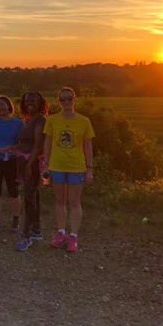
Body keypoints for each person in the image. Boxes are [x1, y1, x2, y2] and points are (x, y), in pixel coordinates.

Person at [43, 87, 95, 253]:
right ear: (59, 101)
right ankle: (60, 233)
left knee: (74, 202)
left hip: (76, 167)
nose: (66, 102)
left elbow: (88, 146)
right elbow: (48, 143)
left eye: (69, 99)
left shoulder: (84, 121)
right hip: (56, 165)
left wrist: (89, 169)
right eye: (63, 99)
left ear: (74, 100)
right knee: (59, 201)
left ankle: (73, 236)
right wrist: (45, 163)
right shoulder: (52, 120)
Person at [15, 92, 48, 251]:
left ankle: (26, 234)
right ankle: (36, 230)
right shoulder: (28, 119)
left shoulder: (40, 120)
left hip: (32, 163)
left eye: (33, 100)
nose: (29, 103)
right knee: (34, 197)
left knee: (28, 197)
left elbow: (38, 146)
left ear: (40, 102)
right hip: (25, 161)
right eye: (27, 100)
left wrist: (29, 164)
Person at [0, 95, 24, 234]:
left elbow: (22, 144)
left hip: (13, 161)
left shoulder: (19, 123)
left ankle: (16, 219)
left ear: (9, 106)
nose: (0, 108)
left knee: (13, 191)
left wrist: (10, 148)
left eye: (2, 104)